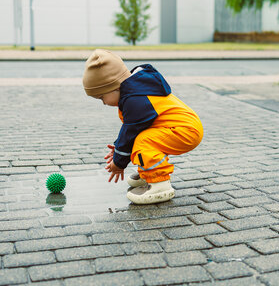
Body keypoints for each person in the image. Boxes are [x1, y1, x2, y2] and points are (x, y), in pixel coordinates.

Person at [82, 49, 204, 204]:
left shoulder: (135, 99)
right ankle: (148, 173)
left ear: (115, 86)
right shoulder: (136, 90)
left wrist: (119, 162)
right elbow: (133, 130)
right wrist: (119, 147)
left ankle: (160, 184)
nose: (104, 103)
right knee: (141, 137)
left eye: (102, 97)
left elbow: (130, 131)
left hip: (186, 131)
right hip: (184, 127)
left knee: (144, 141)